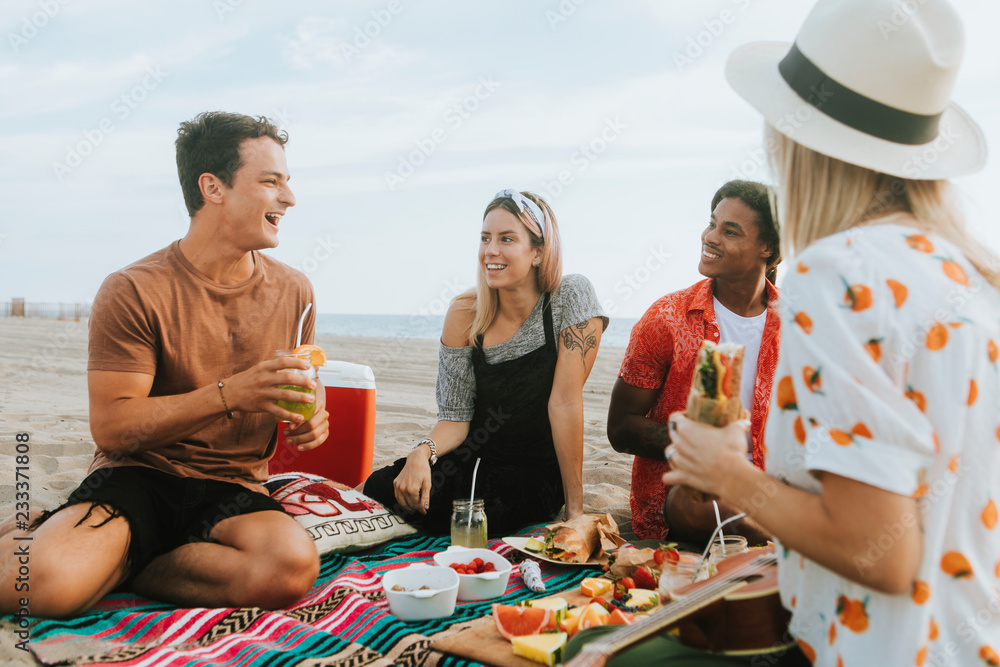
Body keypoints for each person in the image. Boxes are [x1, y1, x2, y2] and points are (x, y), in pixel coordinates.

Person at [658, 0, 1000, 665]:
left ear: (795, 136)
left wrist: (728, 474)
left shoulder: (837, 273)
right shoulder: (974, 276)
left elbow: (882, 549)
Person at [0, 112, 330, 619]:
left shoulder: (296, 291)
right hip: (141, 475)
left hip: (233, 487)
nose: (289, 198)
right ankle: (64, 541)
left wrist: (312, 417)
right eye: (271, 182)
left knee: (289, 567)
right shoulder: (133, 289)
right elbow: (112, 428)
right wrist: (232, 394)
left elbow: (303, 389)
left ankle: (118, 560)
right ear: (212, 188)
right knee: (39, 589)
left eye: (288, 182)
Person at [363, 189, 607, 536]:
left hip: (534, 472)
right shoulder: (464, 313)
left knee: (480, 511)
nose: (491, 250)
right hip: (470, 460)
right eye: (485, 238)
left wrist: (575, 509)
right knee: (386, 486)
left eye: (507, 239)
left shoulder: (571, 298)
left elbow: (565, 403)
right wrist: (423, 452)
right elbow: (455, 418)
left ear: (538, 251)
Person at [607, 180, 779, 543]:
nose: (710, 236)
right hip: (687, 485)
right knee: (720, 510)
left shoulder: (798, 328)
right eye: (712, 223)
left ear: (768, 248)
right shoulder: (667, 317)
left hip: (771, 484)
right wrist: (697, 444)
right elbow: (621, 428)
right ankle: (797, 548)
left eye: (729, 231)